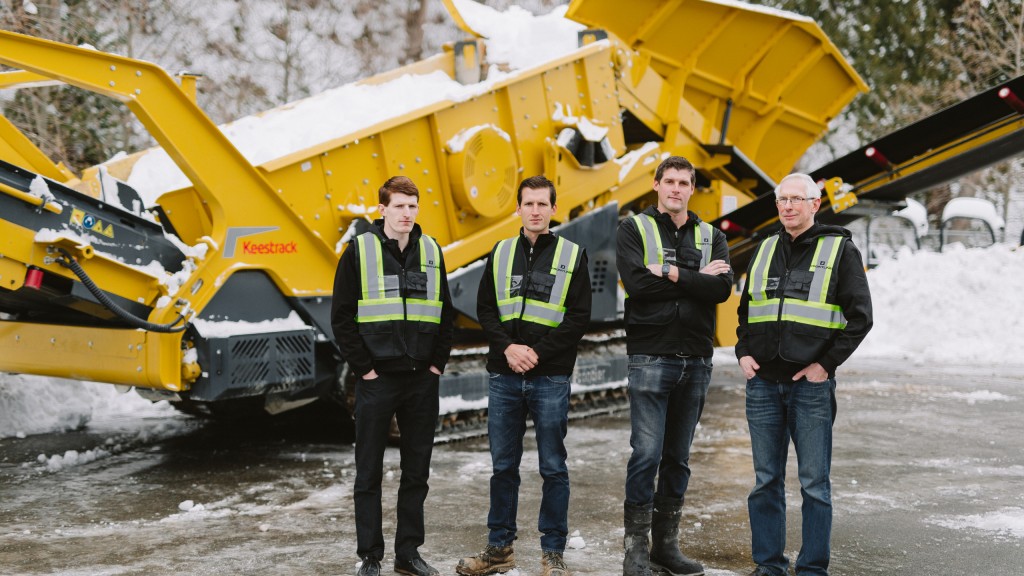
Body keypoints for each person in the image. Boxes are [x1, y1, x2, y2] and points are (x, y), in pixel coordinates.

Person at [736, 173, 873, 576]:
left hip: (809, 387)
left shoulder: (840, 251)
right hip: (762, 385)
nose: (789, 206)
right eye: (783, 199)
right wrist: (743, 352)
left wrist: (825, 365)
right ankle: (769, 565)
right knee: (765, 482)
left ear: (816, 204)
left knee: (814, 484)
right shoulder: (763, 250)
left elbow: (861, 318)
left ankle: (812, 569)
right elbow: (746, 312)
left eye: (798, 198)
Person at [456, 175, 592, 576]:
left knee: (553, 465)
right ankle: (499, 551)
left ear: (554, 208)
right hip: (504, 375)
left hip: (549, 376)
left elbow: (579, 316)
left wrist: (536, 353)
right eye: (528, 204)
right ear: (518, 209)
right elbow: (484, 310)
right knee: (503, 467)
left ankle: (552, 553)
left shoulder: (572, 255)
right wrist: (508, 348)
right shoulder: (499, 253)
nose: (535, 211)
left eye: (542, 204)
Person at [331, 175, 455, 576]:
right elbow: (342, 318)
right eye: (399, 206)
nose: (407, 213)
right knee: (368, 472)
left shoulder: (432, 250)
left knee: (416, 472)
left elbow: (446, 313)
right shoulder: (359, 252)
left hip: (421, 380)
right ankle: (370, 556)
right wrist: (364, 369)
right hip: (377, 379)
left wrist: (437, 364)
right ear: (382, 210)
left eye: (413, 206)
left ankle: (408, 554)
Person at [616, 156, 733, 576]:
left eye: (684, 182)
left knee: (678, 458)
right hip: (651, 355)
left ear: (692, 188)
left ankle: (666, 546)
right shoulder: (633, 229)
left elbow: (721, 289)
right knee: (646, 454)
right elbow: (637, 285)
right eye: (670, 181)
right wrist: (694, 278)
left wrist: (668, 271)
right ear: (656, 185)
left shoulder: (711, 235)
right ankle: (635, 551)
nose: (676, 189)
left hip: (697, 359)